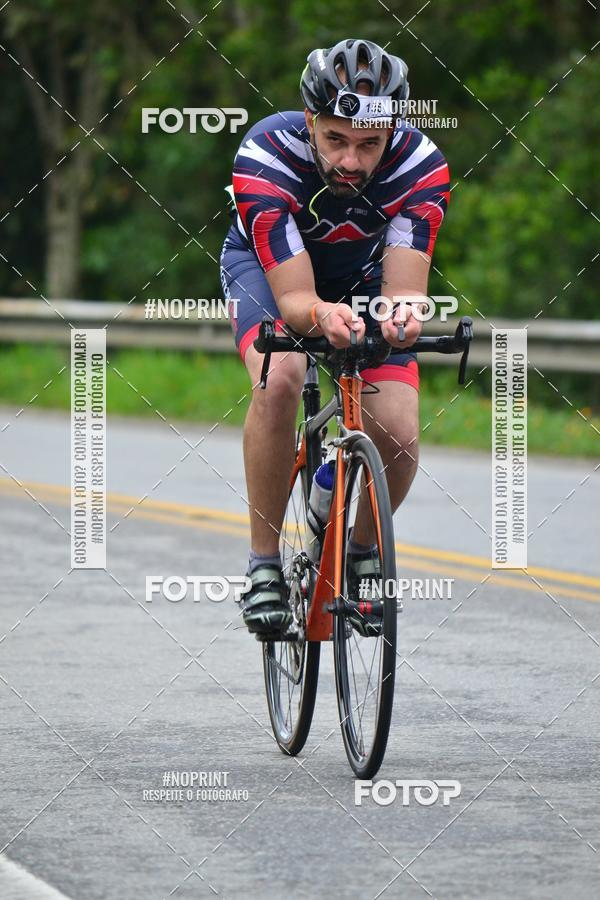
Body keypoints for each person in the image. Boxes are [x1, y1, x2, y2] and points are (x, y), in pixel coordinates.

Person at [219, 38, 450, 636]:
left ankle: (361, 551)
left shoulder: (419, 165)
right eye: (336, 139)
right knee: (281, 378)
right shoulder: (268, 154)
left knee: (397, 431)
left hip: (363, 274)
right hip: (270, 274)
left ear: (392, 132)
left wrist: (401, 319)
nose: (351, 160)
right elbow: (297, 300)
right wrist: (323, 316)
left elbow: (405, 289)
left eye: (369, 144)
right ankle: (264, 565)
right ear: (310, 121)